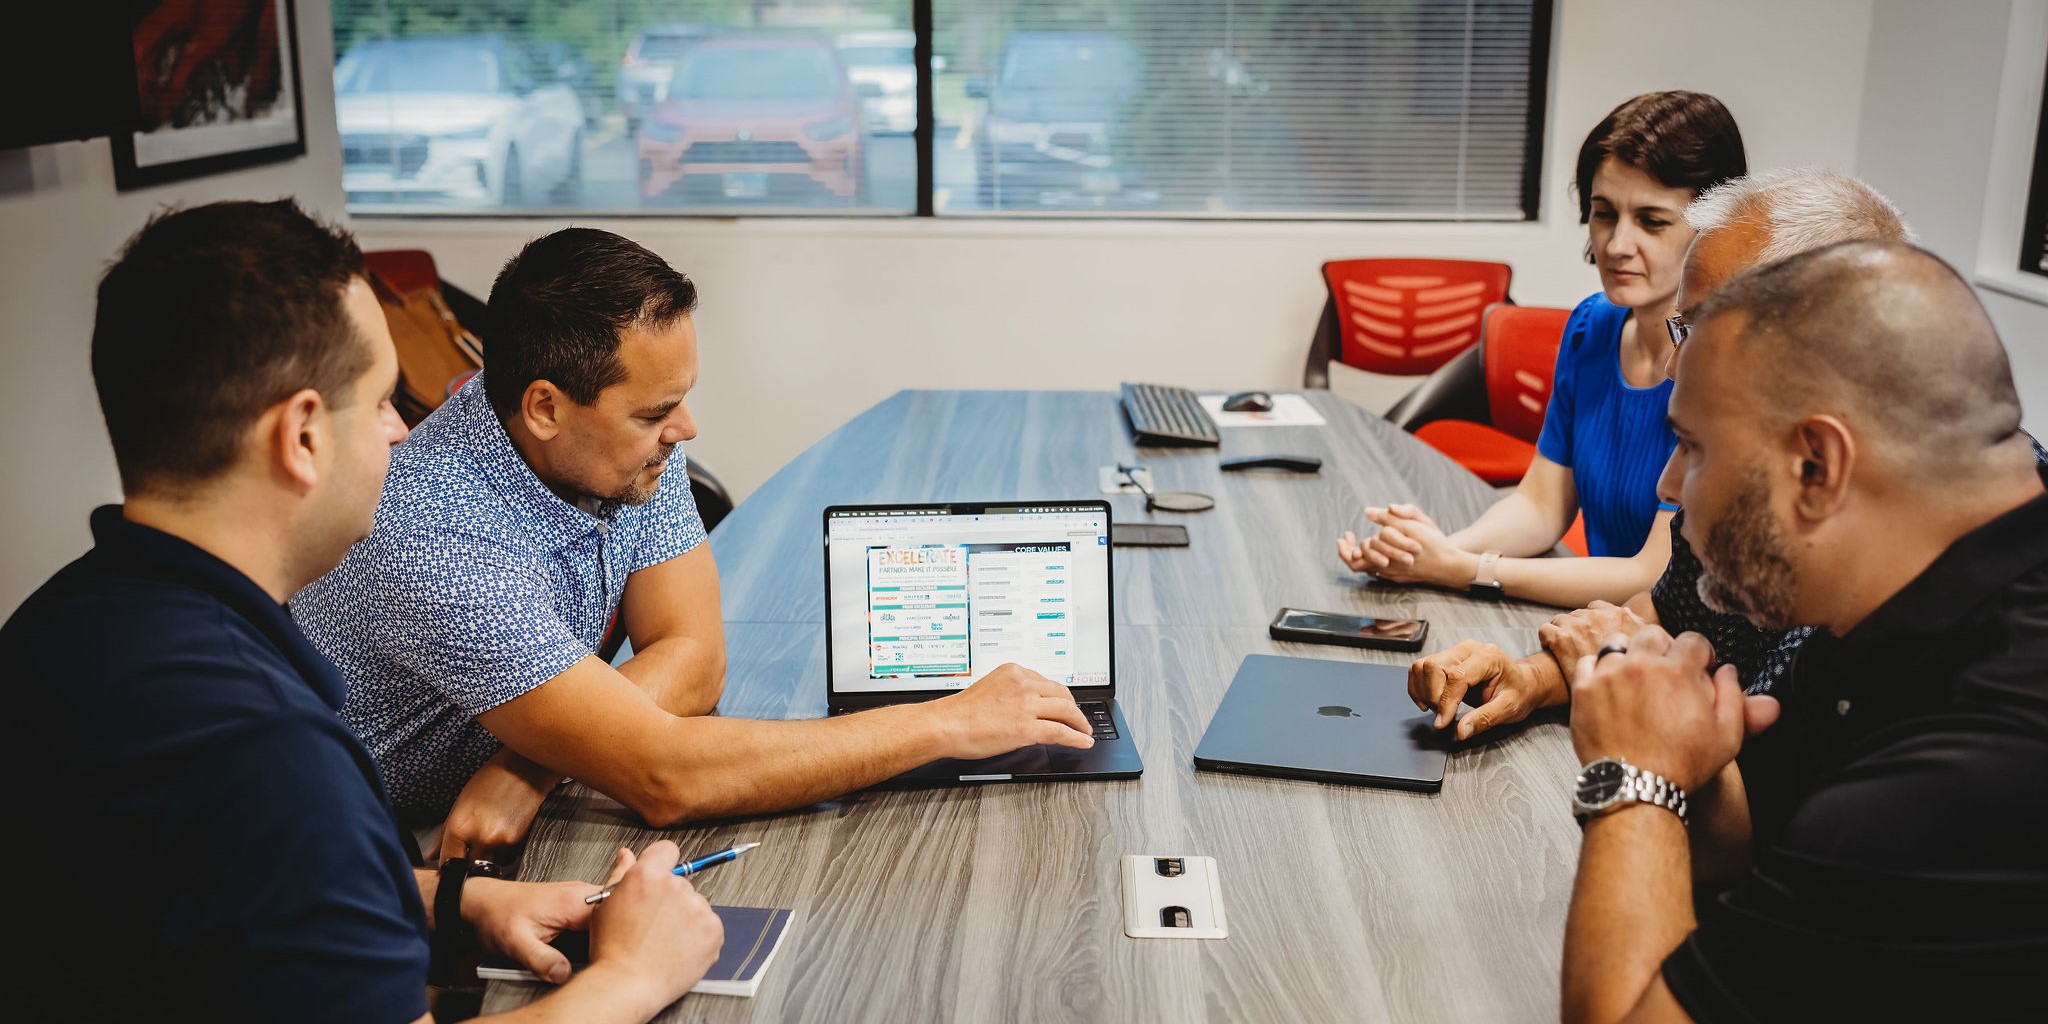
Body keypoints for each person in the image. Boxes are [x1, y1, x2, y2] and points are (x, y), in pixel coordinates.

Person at [2, 200, 722, 1023]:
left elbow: (188, 896)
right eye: (384, 402)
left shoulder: (60, 628)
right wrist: (632, 973)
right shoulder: (267, 748)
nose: (400, 435)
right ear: (303, 437)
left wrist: (450, 902)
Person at [293, 228, 1096, 860]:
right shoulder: (437, 536)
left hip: (503, 797)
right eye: (654, 414)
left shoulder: (625, 443)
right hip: (389, 845)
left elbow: (696, 656)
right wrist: (948, 721)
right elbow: (668, 775)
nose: (685, 430)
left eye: (679, 401)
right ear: (545, 407)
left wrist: (534, 763)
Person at [1558, 240, 2047, 1021]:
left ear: (1816, 467)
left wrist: (1633, 772)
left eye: (1692, 447)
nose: (1668, 486)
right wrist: (1690, 751)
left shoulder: (1974, 762)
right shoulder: (1907, 592)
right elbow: (1757, 847)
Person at [1406, 169, 2045, 739]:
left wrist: (1639, 772)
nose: (1677, 362)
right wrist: (1540, 675)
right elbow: (1664, 611)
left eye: (1706, 329)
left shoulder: (1962, 634)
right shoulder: (1729, 468)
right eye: (1680, 327)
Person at [1340, 91, 1746, 609]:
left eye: (1652, 221)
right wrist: (1429, 553)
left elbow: (1654, 574)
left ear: (1713, 230)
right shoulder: (1591, 327)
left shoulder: (1723, 366)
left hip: (1674, 652)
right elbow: (1541, 505)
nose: (1617, 245)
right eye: (1604, 214)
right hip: (1593, 631)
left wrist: (1464, 569)